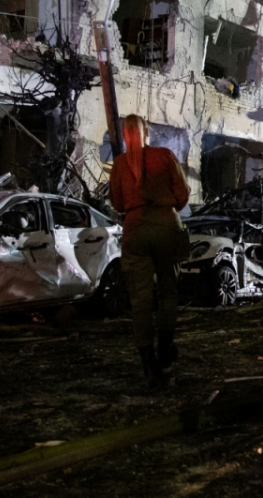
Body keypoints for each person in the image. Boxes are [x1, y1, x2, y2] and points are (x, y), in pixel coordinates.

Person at [108, 115, 191, 388]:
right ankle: (165, 348)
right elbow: (183, 194)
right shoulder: (164, 155)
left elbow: (118, 203)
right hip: (166, 224)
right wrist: (168, 208)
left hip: (135, 227)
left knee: (139, 300)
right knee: (168, 291)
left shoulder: (120, 164)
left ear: (124, 135)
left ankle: (149, 365)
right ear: (147, 132)